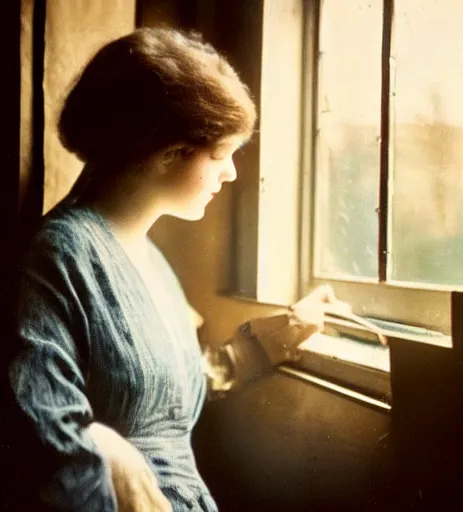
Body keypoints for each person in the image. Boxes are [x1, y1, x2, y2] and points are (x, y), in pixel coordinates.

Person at [2, 27, 336, 511]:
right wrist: (107, 451)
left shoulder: (151, 260)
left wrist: (281, 332)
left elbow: (168, 392)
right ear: (166, 150)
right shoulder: (51, 261)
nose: (231, 173)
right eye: (220, 154)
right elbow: (39, 437)